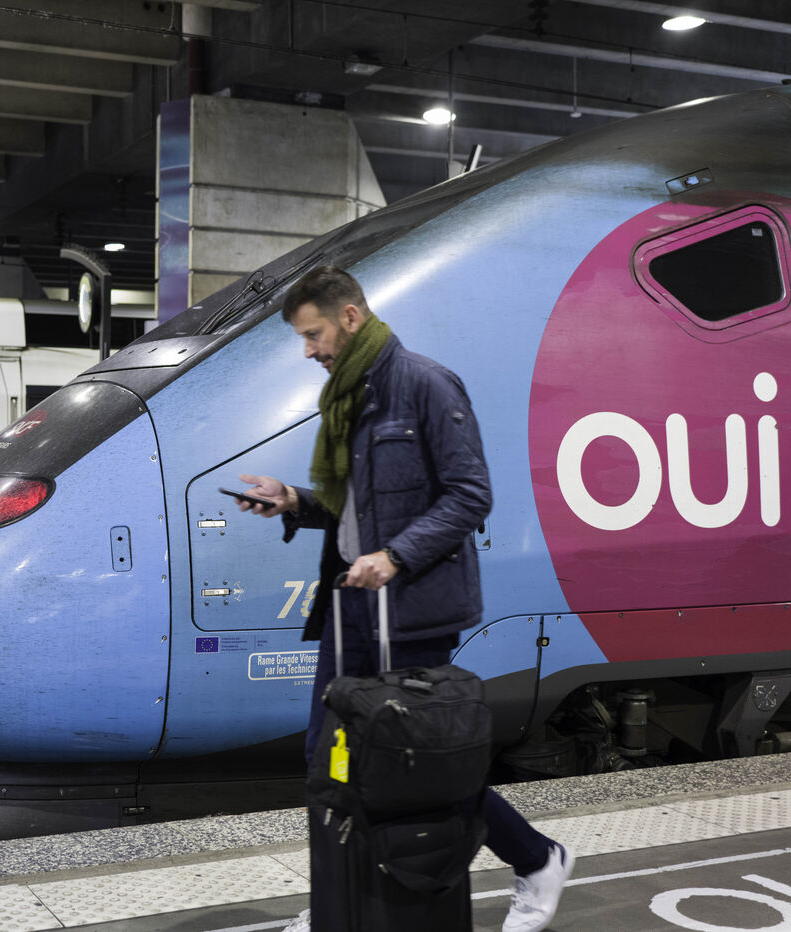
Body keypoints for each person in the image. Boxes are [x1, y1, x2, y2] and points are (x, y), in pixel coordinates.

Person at [237, 266, 573, 932]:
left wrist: (395, 556)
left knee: (418, 760)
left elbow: (470, 495)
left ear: (350, 317)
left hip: (412, 607)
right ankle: (339, 896)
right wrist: (295, 500)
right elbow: (355, 509)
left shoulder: (425, 384)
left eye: (313, 334)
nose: (308, 350)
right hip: (351, 604)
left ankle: (537, 858)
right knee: (329, 756)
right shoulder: (347, 395)